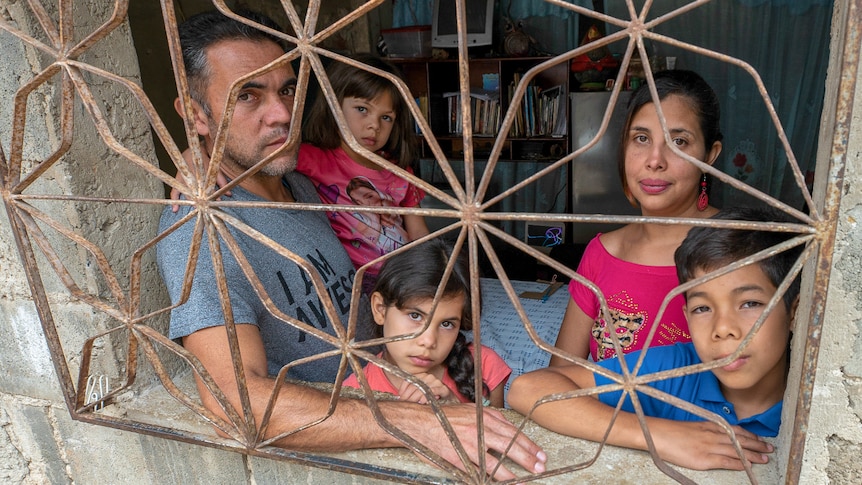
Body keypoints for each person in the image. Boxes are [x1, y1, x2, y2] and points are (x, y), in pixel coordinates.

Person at [156, 9, 545, 480]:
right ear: (196, 113)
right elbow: (232, 400)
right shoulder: (198, 232)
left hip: (403, 373)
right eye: (248, 95)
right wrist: (419, 423)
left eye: (286, 90)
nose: (281, 114)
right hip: (357, 440)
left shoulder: (302, 185)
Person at [508, 206, 803, 470]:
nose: (723, 328)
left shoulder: (817, 401)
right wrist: (659, 434)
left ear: (794, 312)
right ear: (686, 315)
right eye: (703, 308)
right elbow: (528, 389)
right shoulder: (676, 369)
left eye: (750, 303)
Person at [551, 70, 724, 365]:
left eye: (679, 142)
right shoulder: (602, 253)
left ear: (710, 155)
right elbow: (559, 376)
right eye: (641, 138)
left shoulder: (739, 248)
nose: (655, 160)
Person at [298, 54, 429, 292]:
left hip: (404, 273)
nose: (374, 126)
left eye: (386, 118)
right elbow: (265, 156)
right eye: (362, 109)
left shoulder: (400, 172)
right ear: (334, 106)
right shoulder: (317, 159)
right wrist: (209, 156)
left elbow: (418, 231)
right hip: (357, 277)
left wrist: (429, 270)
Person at [344, 238, 511, 408]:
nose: (429, 341)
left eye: (447, 324)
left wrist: (454, 409)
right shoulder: (354, 394)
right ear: (380, 309)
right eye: (415, 316)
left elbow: (496, 431)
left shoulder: (483, 366)